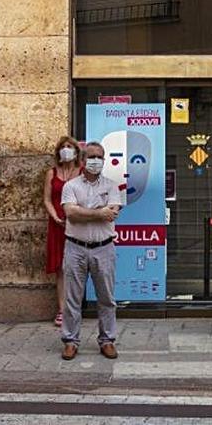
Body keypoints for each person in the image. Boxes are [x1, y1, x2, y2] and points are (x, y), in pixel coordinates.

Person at [60, 141, 122, 361]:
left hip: (104, 248)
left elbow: (112, 213)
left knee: (106, 298)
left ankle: (107, 340)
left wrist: (83, 211)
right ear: (83, 160)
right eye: (92, 157)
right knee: (72, 298)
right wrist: (97, 213)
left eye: (100, 157)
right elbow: (71, 213)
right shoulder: (71, 186)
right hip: (75, 248)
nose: (97, 161)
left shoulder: (112, 186)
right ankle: (70, 341)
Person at [44, 136, 81, 327]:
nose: (65, 150)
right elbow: (47, 199)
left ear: (76, 152)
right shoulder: (52, 173)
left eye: (69, 147)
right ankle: (62, 309)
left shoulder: (83, 172)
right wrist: (55, 217)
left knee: (77, 267)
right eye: (62, 147)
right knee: (60, 268)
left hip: (78, 223)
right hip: (57, 223)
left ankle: (76, 307)